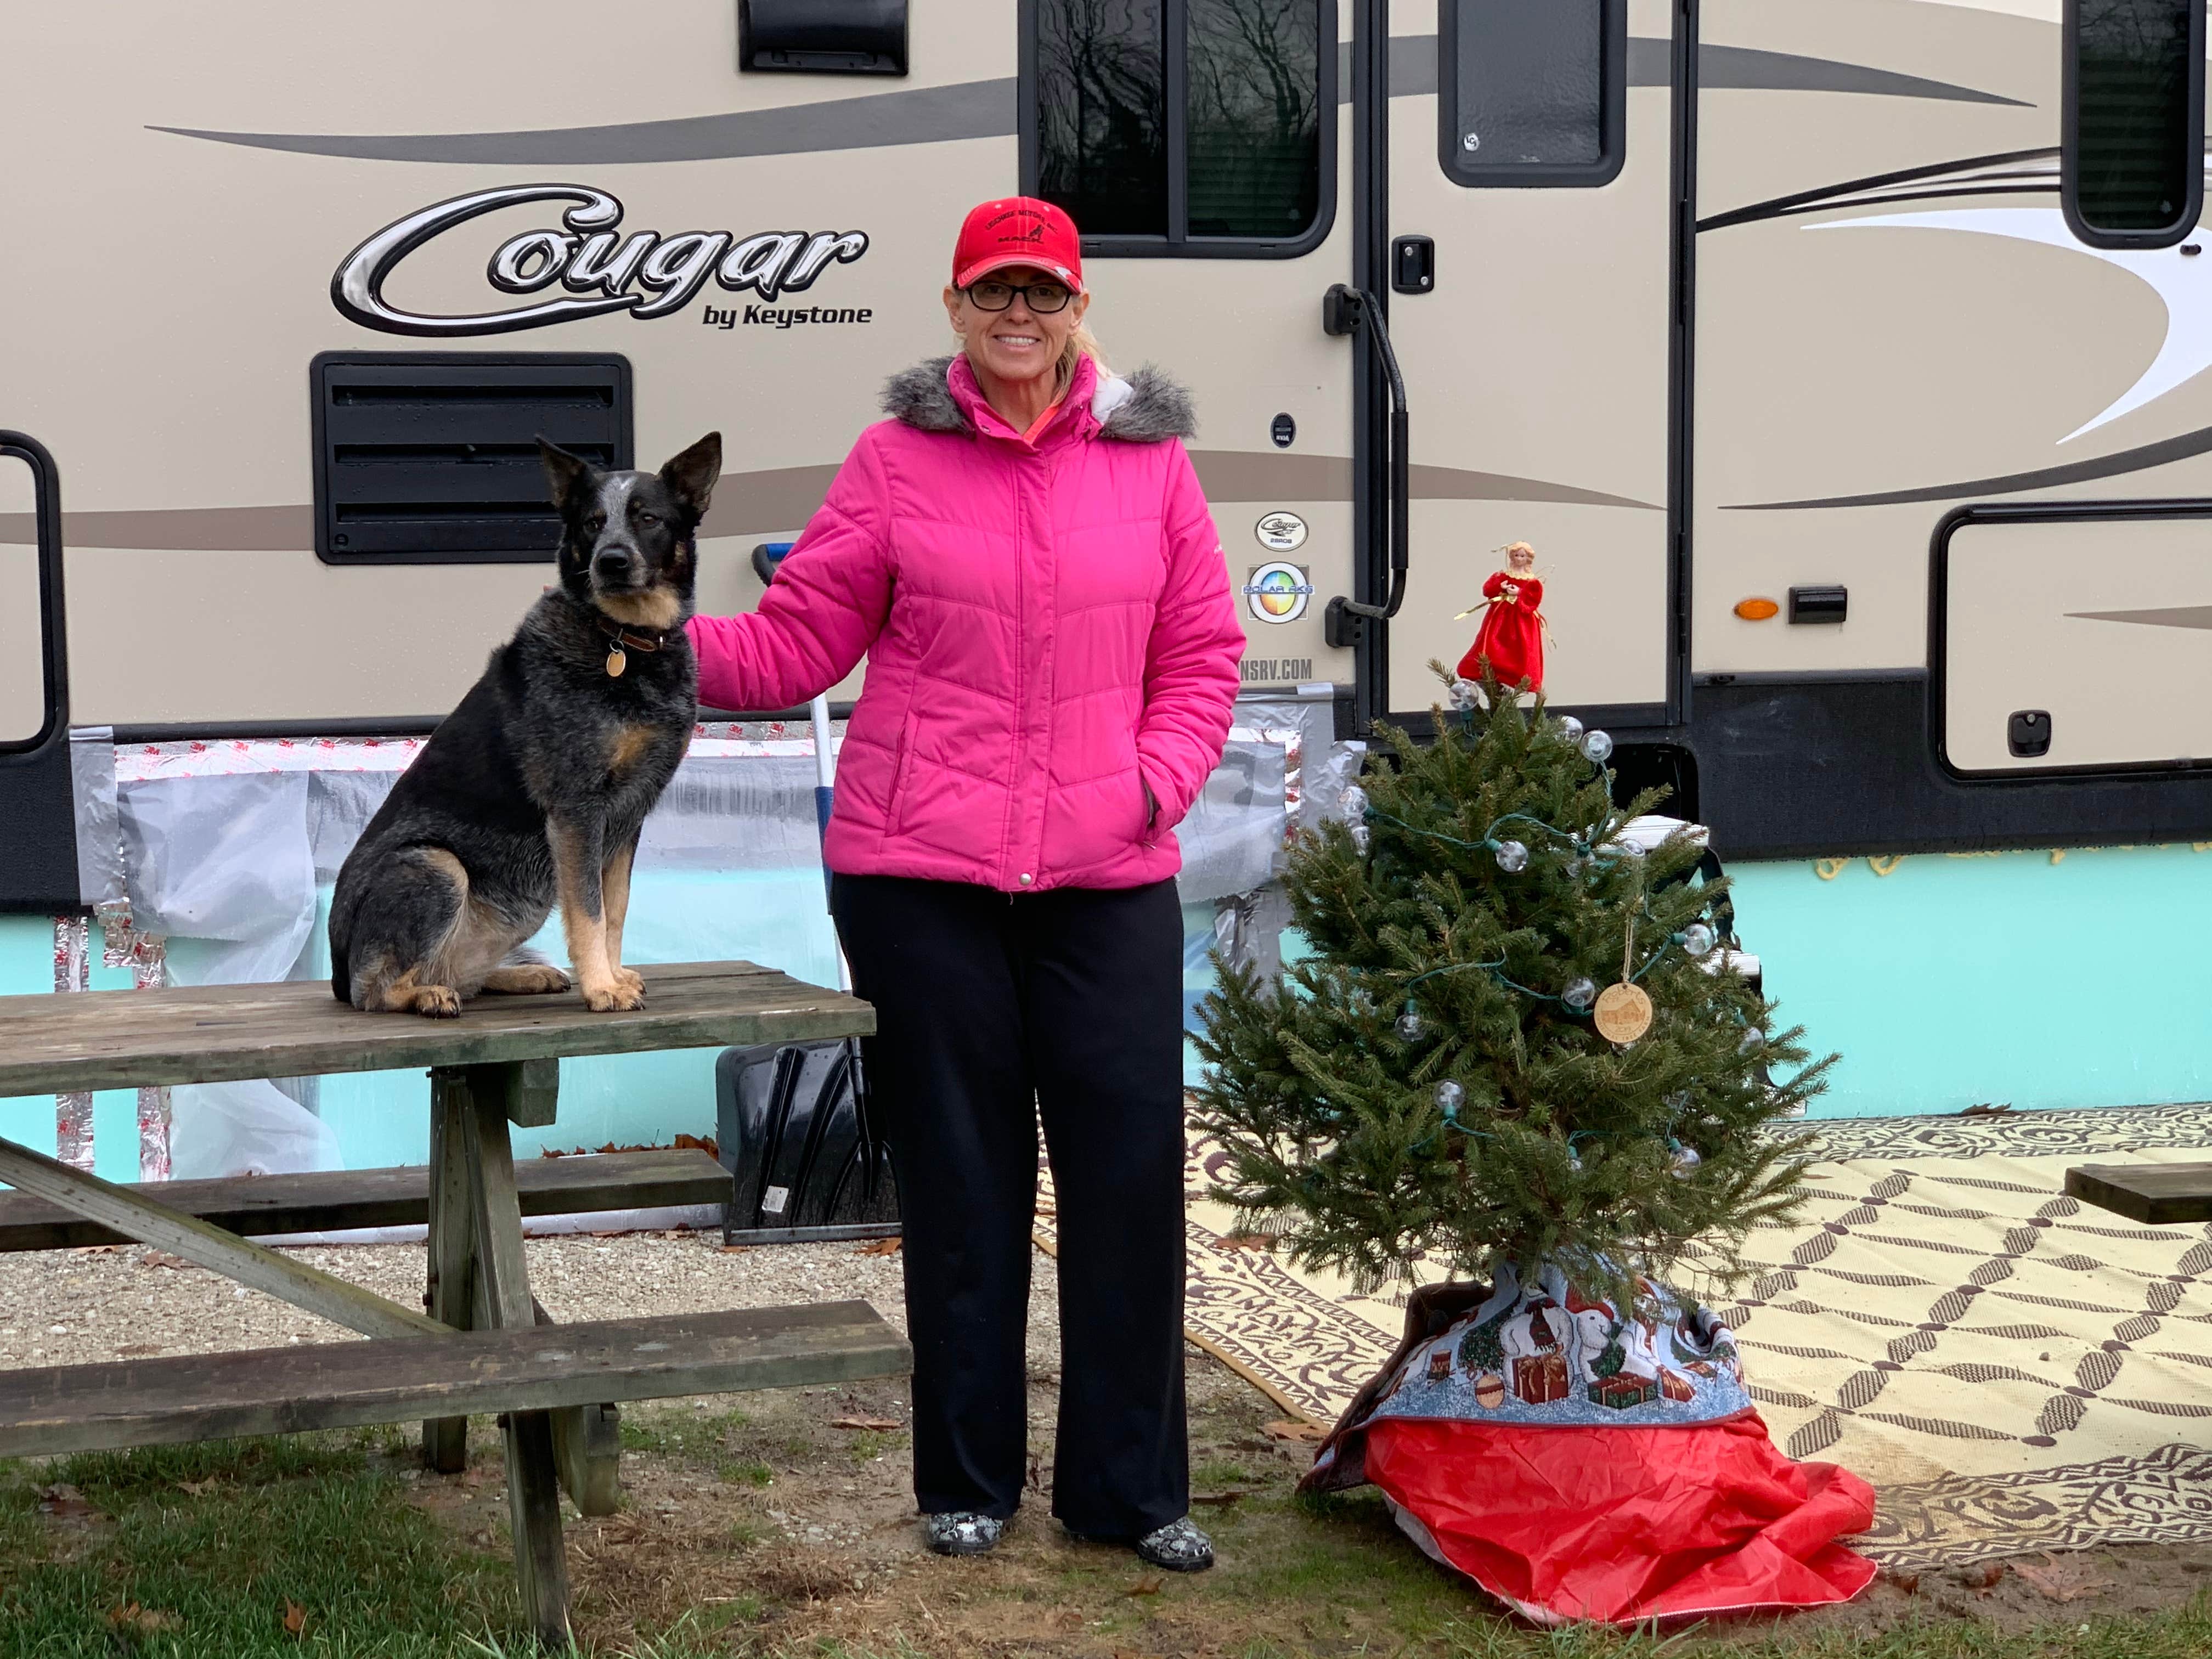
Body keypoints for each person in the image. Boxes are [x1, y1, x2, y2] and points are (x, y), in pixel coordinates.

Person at [687, 196, 1244, 1572]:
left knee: (1127, 1181)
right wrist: (638, 645)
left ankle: (1127, 1489)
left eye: (1042, 293)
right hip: (921, 880)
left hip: (1108, 875)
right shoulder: (891, 463)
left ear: (1075, 309)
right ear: (953, 307)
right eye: (993, 291)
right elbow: (796, 642)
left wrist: (1149, 788)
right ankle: (969, 1480)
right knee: (960, 1185)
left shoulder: (1153, 468)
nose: (1018, 314)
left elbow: (1204, 656)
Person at [1455, 540, 1548, 696]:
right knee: (1492, 642)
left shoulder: (1532, 581)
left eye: (1522, 556)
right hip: (1501, 617)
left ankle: (1518, 676)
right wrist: (1501, 587)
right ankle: (1489, 670)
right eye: (1516, 555)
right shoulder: (1503, 576)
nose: (1519, 559)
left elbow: (1534, 599)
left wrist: (1519, 593)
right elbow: (1488, 590)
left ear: (1528, 558)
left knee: (1520, 647)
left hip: (1521, 619)